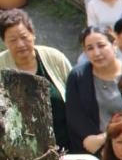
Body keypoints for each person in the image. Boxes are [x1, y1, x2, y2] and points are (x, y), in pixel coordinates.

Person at [0, 9, 72, 152]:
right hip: (23, 152)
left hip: (67, 141)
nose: (20, 44)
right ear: (4, 42)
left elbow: (76, 96)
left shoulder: (54, 57)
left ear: (33, 34)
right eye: (13, 40)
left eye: (24, 37)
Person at [66, 26, 122, 154]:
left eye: (101, 46)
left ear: (114, 44)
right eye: (90, 48)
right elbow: (75, 116)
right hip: (93, 148)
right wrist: (98, 145)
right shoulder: (78, 76)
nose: (96, 53)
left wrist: (105, 139)